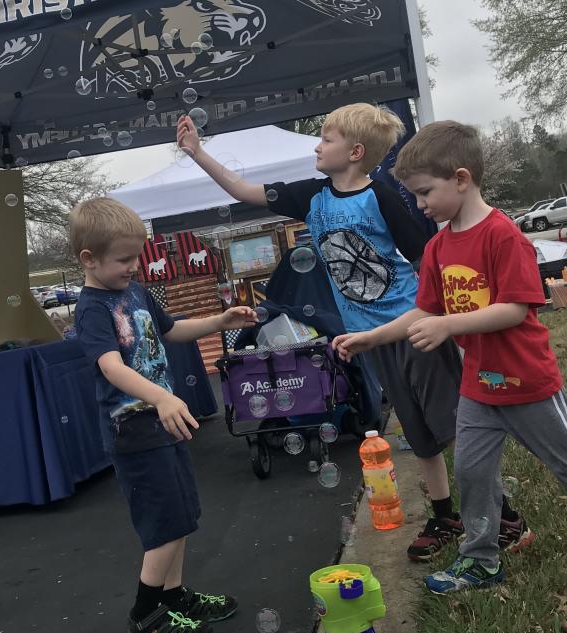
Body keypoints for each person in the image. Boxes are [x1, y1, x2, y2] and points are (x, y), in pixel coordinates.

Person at [177, 105, 532, 562]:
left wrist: (451, 314)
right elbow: (244, 190)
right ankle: (446, 516)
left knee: (453, 428)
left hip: (414, 328)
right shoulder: (311, 197)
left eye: (327, 139)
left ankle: (505, 517)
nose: (316, 146)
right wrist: (197, 153)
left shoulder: (380, 196)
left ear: (356, 152)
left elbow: (427, 257)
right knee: (419, 434)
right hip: (371, 339)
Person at [335, 121, 567, 591]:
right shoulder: (437, 248)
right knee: (472, 473)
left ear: (461, 178)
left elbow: (514, 309)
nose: (420, 205)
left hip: (527, 383)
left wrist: (449, 325)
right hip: (478, 386)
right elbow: (425, 310)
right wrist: (374, 337)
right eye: (414, 196)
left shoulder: (502, 235)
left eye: (425, 193)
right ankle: (481, 560)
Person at [70, 197, 256, 633]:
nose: (134, 266)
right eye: (124, 259)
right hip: (134, 431)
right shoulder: (92, 308)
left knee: (181, 514)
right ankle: (147, 613)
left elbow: (171, 331)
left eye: (137, 256)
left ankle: (174, 596)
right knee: (163, 523)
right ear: (89, 259)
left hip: (163, 424)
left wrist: (219, 320)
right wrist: (161, 397)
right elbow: (111, 367)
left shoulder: (134, 291)